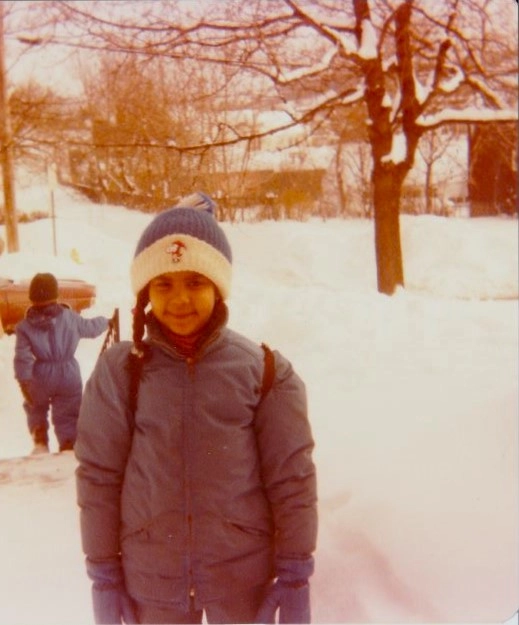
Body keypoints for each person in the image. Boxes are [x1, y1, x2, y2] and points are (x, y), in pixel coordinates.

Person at [75, 193, 318, 625]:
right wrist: (103, 574)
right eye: (164, 284)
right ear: (146, 291)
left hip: (242, 582)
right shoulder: (121, 371)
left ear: (218, 285)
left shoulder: (264, 371)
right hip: (152, 582)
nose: (180, 299)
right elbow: (99, 477)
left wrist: (295, 573)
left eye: (195, 282)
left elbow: (292, 479)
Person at [14, 272, 110, 454]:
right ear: (55, 295)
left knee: (36, 406)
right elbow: (90, 328)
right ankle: (68, 443)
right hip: (68, 374)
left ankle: (40, 439)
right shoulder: (70, 317)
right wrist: (106, 321)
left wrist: (24, 379)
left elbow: (23, 356)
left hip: (40, 375)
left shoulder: (25, 327)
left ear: (31, 298)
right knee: (68, 411)